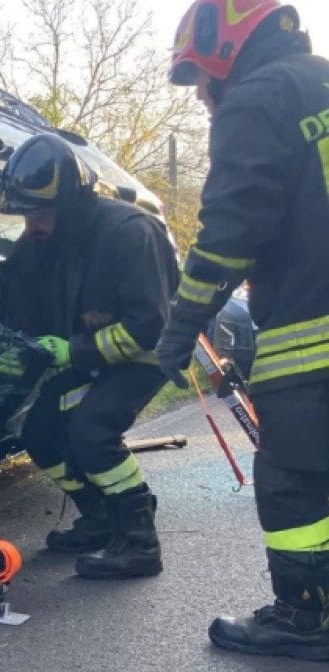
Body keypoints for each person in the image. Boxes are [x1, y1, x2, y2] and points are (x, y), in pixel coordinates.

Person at [159, 0, 329, 661]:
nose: (201, 94)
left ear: (225, 48)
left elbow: (230, 235)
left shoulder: (257, 100)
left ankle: (304, 619)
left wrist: (180, 330)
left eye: (198, 76)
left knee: (291, 478)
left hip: (311, 336)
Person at [0, 133, 179, 580]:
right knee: (39, 433)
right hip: (84, 359)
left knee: (92, 430)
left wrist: (74, 350)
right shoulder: (41, 244)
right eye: (25, 215)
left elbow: (147, 327)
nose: (30, 226)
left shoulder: (130, 233)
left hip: (142, 358)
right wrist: (13, 350)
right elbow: (19, 306)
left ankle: (139, 543)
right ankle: (97, 517)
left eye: (38, 214)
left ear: (71, 204)